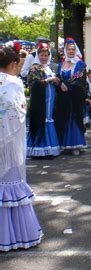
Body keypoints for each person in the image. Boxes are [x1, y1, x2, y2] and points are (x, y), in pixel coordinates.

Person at [0, 47, 43, 251]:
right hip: (9, 144)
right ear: (13, 64)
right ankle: (15, 235)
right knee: (10, 184)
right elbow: (18, 113)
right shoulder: (13, 83)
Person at [26, 42, 61, 158]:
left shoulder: (48, 68)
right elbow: (32, 84)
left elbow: (52, 82)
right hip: (40, 101)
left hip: (50, 100)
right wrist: (49, 80)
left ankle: (49, 149)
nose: (44, 57)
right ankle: (40, 150)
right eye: (42, 55)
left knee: (48, 119)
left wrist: (55, 81)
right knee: (42, 119)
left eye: (46, 55)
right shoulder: (34, 68)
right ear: (38, 55)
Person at [56, 38, 87, 156]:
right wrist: (60, 84)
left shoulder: (80, 64)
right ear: (65, 50)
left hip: (74, 97)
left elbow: (80, 79)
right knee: (63, 119)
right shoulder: (61, 65)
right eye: (69, 49)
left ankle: (76, 144)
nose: (71, 51)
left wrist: (67, 86)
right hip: (63, 98)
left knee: (74, 119)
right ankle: (65, 145)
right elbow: (57, 77)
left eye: (73, 49)